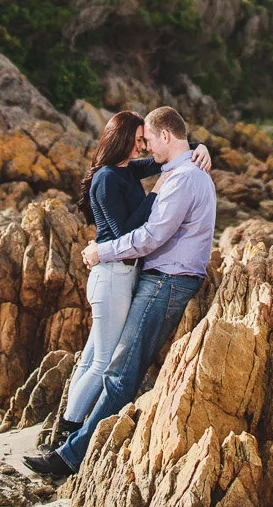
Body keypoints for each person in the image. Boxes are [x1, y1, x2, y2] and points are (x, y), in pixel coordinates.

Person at [26, 104, 216, 480]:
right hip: (156, 278)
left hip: (166, 282)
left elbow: (150, 237)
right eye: (140, 141)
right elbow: (138, 225)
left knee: (119, 372)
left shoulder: (182, 177)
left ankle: (70, 455)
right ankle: (69, 440)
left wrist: (101, 251)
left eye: (149, 140)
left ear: (165, 136)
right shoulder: (174, 172)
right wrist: (200, 147)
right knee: (109, 365)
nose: (146, 148)